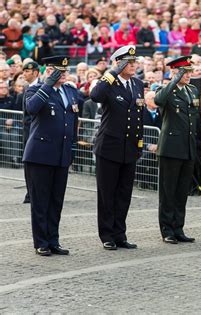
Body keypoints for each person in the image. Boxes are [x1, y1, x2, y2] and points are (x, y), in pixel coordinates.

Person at [23, 55, 82, 256]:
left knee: (56, 201)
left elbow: (73, 119)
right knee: (40, 201)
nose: (64, 75)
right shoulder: (35, 90)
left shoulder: (69, 91)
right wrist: (47, 84)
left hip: (61, 154)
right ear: (49, 71)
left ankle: (53, 240)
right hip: (40, 154)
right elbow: (31, 109)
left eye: (65, 71)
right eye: (60, 71)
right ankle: (41, 242)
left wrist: (72, 147)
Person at [90, 45, 144, 250]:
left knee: (124, 194)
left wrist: (138, 144)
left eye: (133, 62)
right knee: (107, 194)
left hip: (129, 148)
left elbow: (138, 116)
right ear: (118, 62)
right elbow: (95, 96)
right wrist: (112, 72)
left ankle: (120, 233)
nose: (132, 65)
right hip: (109, 147)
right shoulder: (108, 83)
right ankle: (107, 235)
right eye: (127, 62)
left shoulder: (138, 84)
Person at [154, 56, 199, 244]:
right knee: (168, 191)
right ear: (174, 72)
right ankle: (167, 229)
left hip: (187, 146)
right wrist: (173, 80)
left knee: (181, 191)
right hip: (171, 147)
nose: (188, 75)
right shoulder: (166, 90)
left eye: (189, 71)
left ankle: (178, 227)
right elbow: (158, 100)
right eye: (183, 71)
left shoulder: (192, 90)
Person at [20, 60, 40, 204]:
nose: (24, 74)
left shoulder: (40, 88)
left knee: (34, 163)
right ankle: (30, 192)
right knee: (28, 163)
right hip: (27, 130)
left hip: (35, 131)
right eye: (24, 71)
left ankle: (33, 193)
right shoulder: (27, 88)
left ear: (35, 73)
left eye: (27, 71)